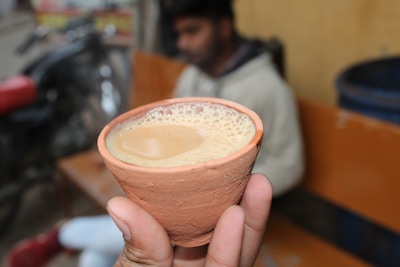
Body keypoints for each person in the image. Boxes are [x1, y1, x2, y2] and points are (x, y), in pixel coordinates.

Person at [6, 0, 304, 266]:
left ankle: (65, 235)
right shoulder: (192, 75)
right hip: (173, 205)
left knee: (122, 240)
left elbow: (291, 165)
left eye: (192, 31)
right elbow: (169, 130)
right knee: (99, 255)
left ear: (224, 27)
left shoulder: (269, 87)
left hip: (230, 211)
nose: (183, 44)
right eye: (179, 34)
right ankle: (70, 237)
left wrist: (226, 182)